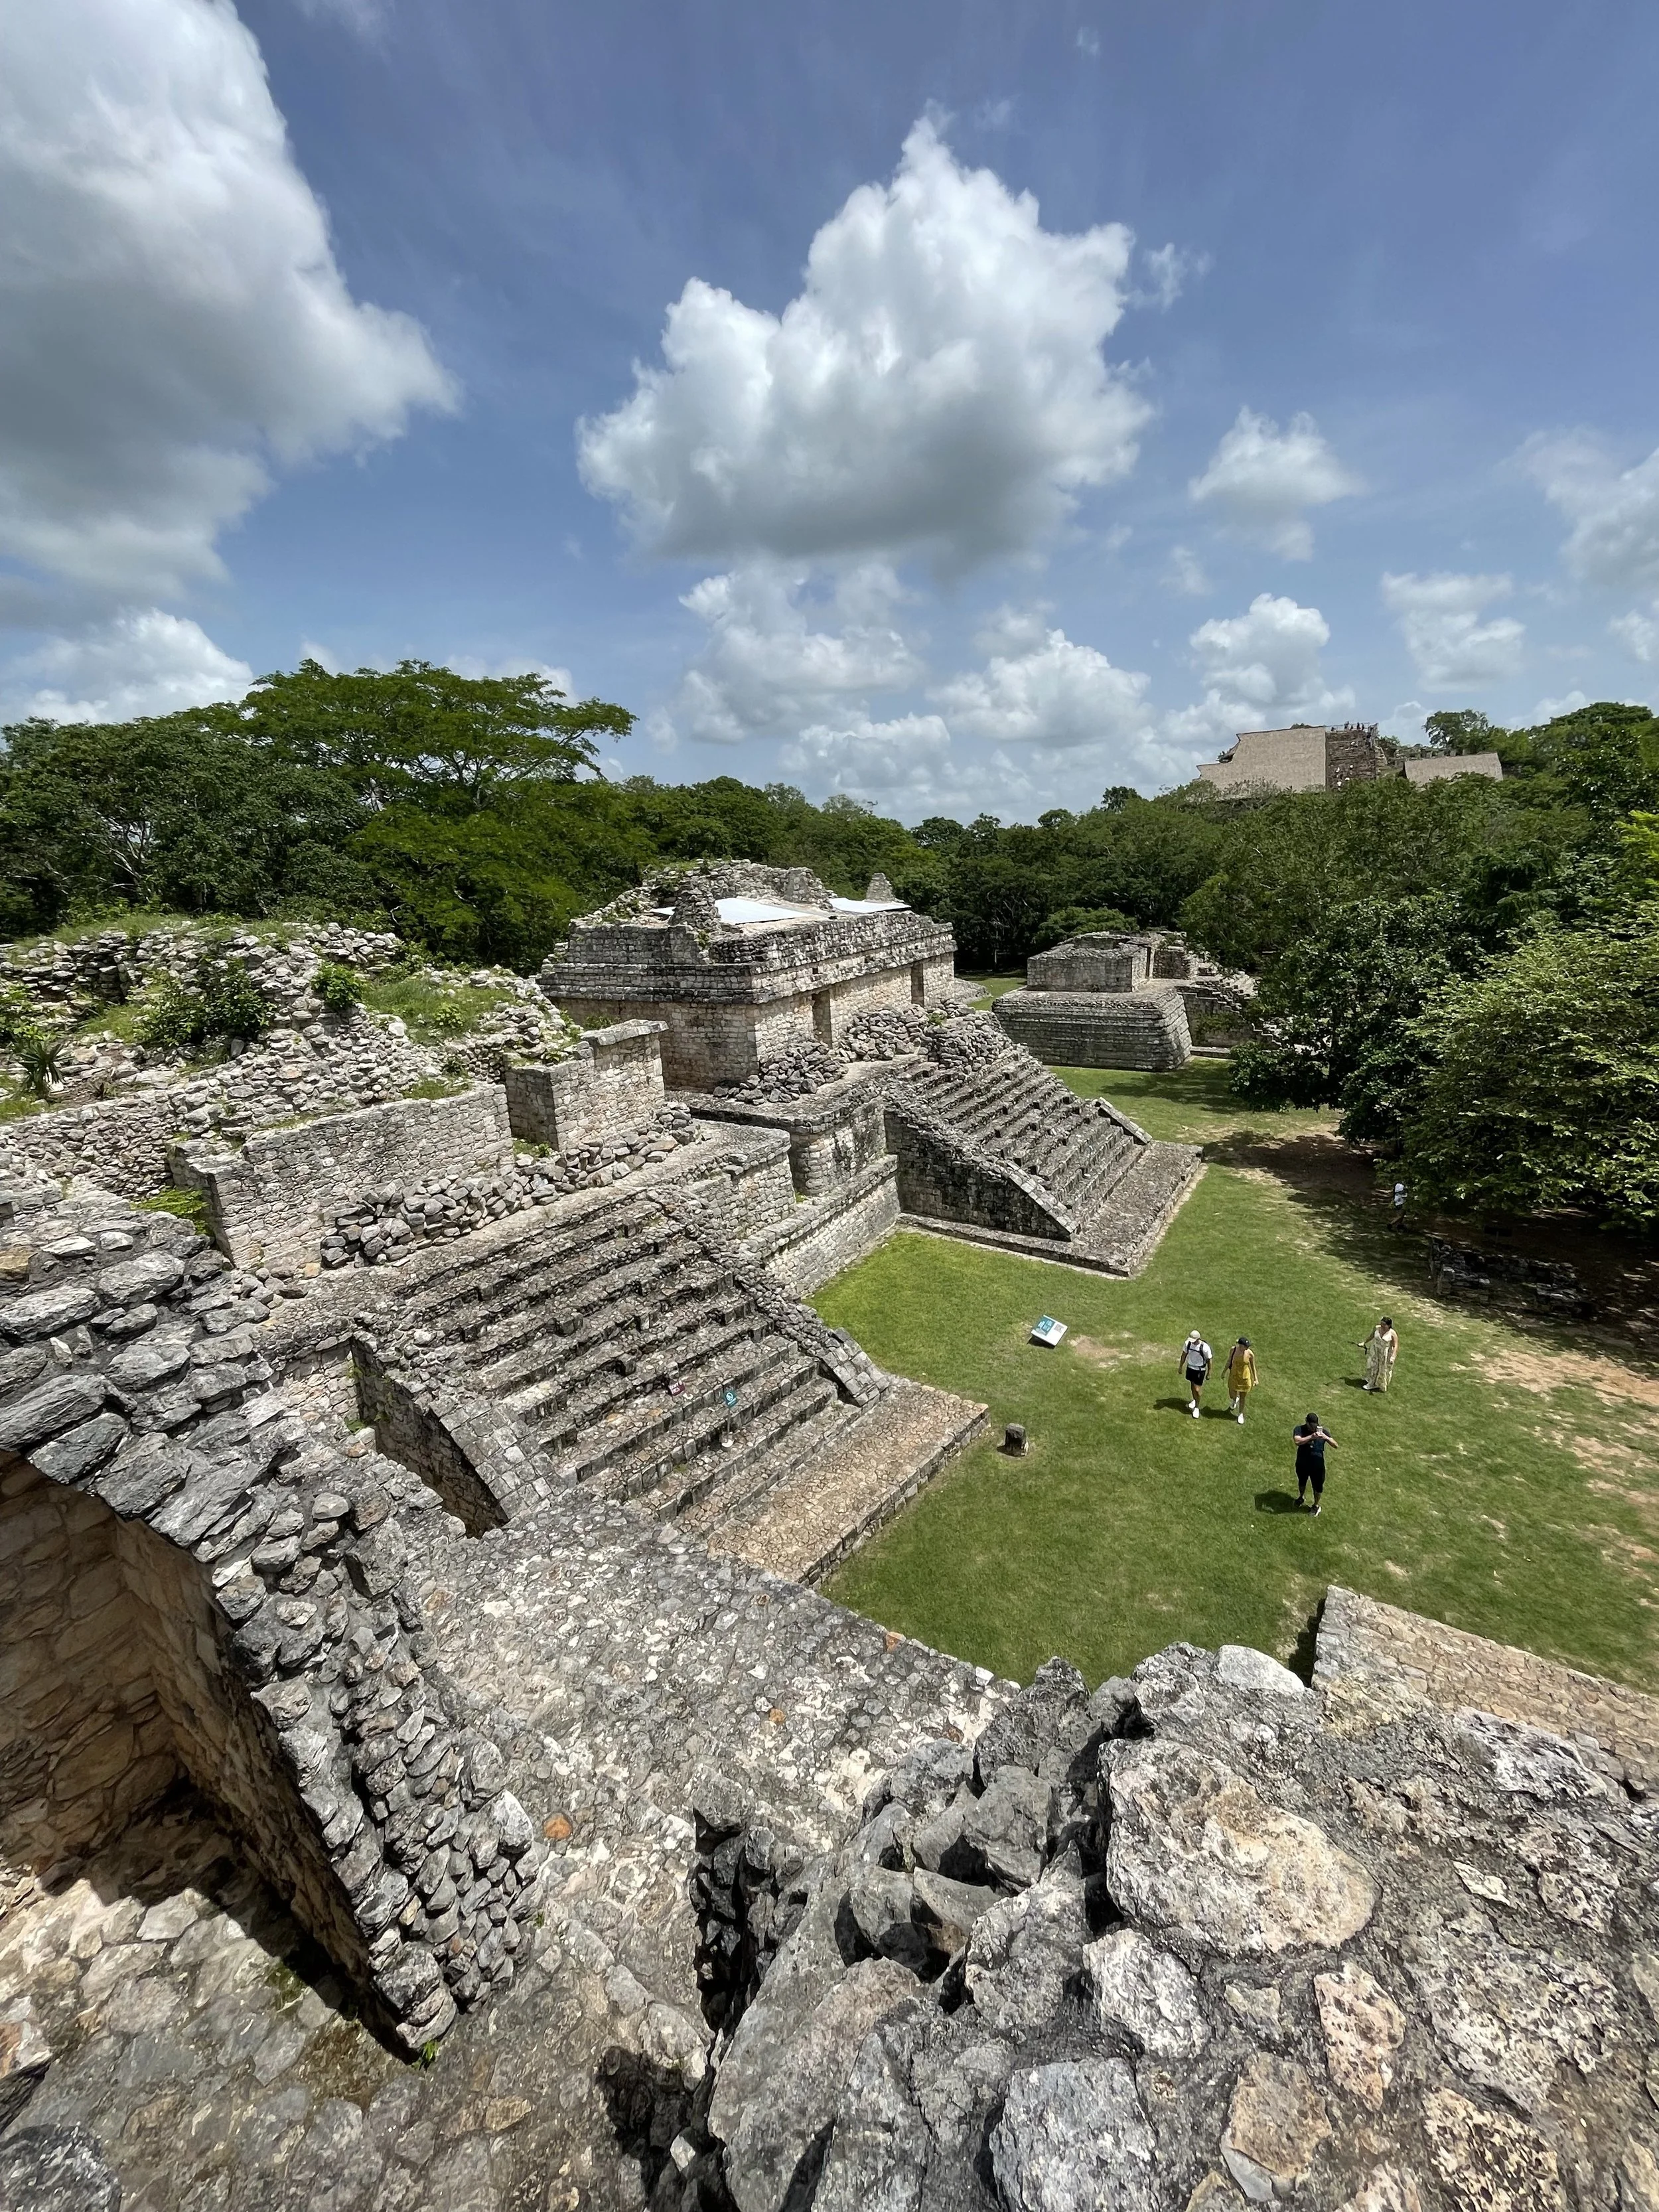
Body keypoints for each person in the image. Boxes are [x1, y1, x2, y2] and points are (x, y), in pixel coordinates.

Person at [1293, 1414, 1336, 1512]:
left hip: (1317, 1465)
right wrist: (1311, 1437)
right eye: (1311, 1424)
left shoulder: (1323, 1432)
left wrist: (1326, 1438)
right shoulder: (1300, 1429)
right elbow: (1297, 1441)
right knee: (1302, 1481)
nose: (1313, 1427)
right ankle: (1301, 1497)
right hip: (1302, 1462)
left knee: (1317, 1486)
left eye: (1315, 1425)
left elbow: (1335, 1445)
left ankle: (1316, 1505)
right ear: (1306, 1422)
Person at [1179, 1330, 1212, 1418]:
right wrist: (1181, 1367)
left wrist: (1209, 1372)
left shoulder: (1205, 1347)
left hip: (1200, 1370)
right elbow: (1184, 1355)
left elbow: (1210, 1360)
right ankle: (1194, 1400)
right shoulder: (1188, 1344)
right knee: (1192, 1385)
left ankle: (1197, 1407)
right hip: (1190, 1368)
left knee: (1197, 1389)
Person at [1360, 1317, 1399, 1394]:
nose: (1382, 1326)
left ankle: (1378, 1384)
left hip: (1385, 1354)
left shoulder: (1392, 1333)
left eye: (1384, 1325)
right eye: (1381, 1323)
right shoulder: (1377, 1328)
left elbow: (1395, 1345)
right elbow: (1372, 1336)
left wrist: (1393, 1357)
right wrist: (1364, 1342)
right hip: (1375, 1351)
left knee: (1383, 1369)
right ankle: (1372, 1382)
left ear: (1389, 1325)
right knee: (1373, 1366)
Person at [1225, 1337, 1258, 1424]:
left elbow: (1253, 1367)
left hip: (1245, 1377)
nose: (1247, 1348)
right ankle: (1234, 1400)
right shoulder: (1233, 1350)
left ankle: (1240, 1414)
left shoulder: (1250, 1354)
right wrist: (1224, 1372)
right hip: (1234, 1375)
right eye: (1245, 1346)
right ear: (1240, 1345)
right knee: (1232, 1393)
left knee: (1243, 1396)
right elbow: (1229, 1361)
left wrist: (1256, 1379)